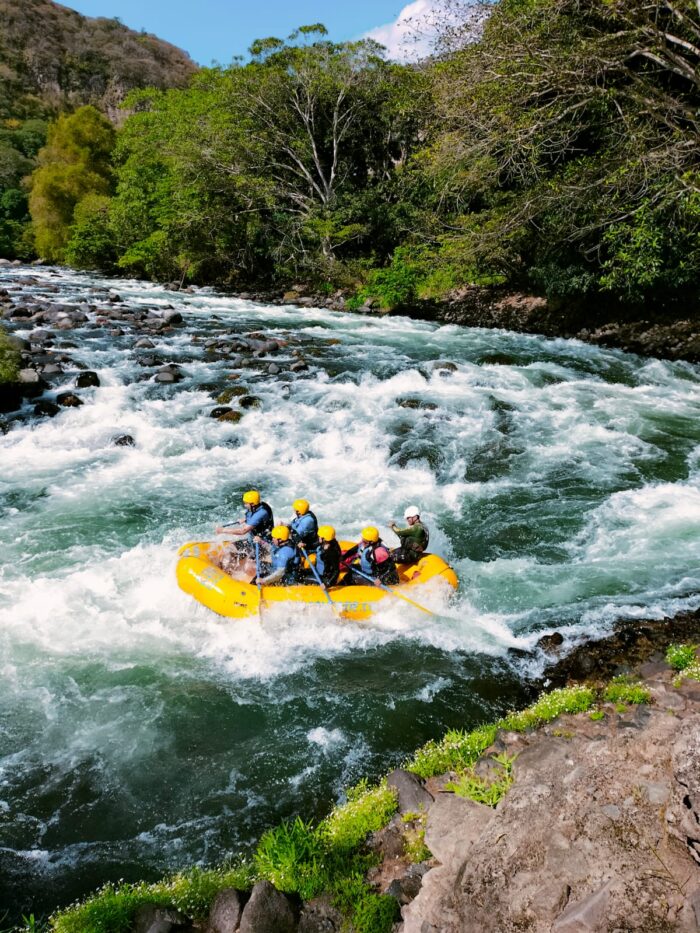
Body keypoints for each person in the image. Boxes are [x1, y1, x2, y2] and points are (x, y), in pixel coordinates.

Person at [215, 489, 274, 570]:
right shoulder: (257, 506)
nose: (245, 505)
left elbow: (243, 531)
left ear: (253, 504)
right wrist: (245, 519)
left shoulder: (261, 512)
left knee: (248, 567)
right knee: (228, 550)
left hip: (261, 545)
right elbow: (256, 519)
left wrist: (223, 530)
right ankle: (227, 571)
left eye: (246, 503)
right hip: (251, 542)